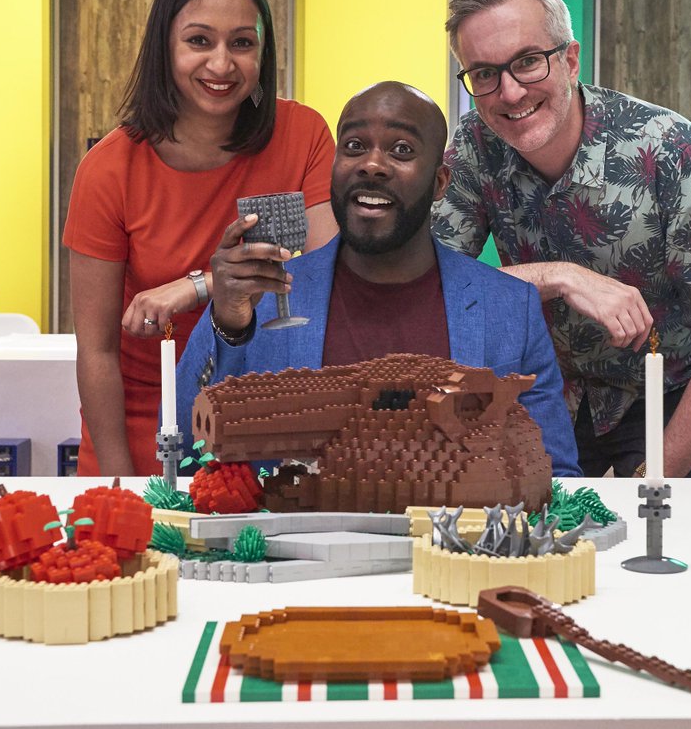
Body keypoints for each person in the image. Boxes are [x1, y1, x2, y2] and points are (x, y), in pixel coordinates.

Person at [434, 0, 691, 479]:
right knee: (540, 527)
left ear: (570, 60)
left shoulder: (671, 149)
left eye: (528, 62)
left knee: (657, 525)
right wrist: (560, 276)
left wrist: (654, 478)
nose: (510, 92)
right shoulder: (474, 147)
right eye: (483, 74)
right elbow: (433, 287)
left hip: (670, 392)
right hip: (550, 390)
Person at [176, 82, 581, 477]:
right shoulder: (264, 296)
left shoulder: (511, 308)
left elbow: (555, 475)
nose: (371, 164)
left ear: (439, 183)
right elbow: (182, 456)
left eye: (401, 150)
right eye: (354, 146)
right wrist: (227, 324)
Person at [63, 0, 337, 476]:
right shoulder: (109, 168)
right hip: (147, 420)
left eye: (242, 43)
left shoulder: (303, 135)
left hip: (270, 413)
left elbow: (327, 273)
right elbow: (97, 352)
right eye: (199, 41)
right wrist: (121, 481)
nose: (221, 64)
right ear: (164, 48)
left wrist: (198, 286)